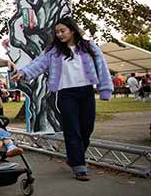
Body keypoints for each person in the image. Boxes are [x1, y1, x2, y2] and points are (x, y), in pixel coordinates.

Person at [12, 17, 113, 181]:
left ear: (72, 30)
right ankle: (79, 167)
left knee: (87, 129)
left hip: (86, 92)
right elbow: (37, 64)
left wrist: (105, 89)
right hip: (66, 95)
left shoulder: (89, 46)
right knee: (72, 129)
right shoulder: (53, 51)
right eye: (57, 32)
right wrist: (23, 73)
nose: (59, 34)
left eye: (62, 31)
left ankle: (73, 157)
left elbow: (102, 67)